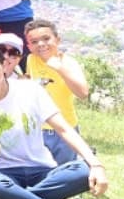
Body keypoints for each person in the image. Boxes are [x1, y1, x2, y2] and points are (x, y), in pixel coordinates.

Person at [0, 45, 116, 199]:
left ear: (3, 64)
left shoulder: (31, 91)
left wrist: (95, 164)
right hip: (0, 173)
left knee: (84, 171)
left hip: (42, 170)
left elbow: (64, 129)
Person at [24, 19, 89, 165]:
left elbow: (83, 93)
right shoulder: (31, 59)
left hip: (65, 127)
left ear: (57, 40)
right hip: (37, 129)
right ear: (29, 46)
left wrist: (60, 69)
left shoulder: (68, 63)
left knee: (64, 172)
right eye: (34, 42)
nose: (41, 44)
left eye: (46, 38)